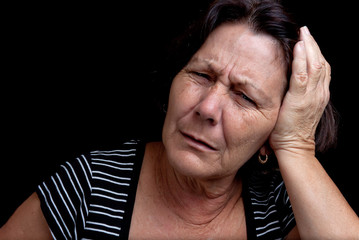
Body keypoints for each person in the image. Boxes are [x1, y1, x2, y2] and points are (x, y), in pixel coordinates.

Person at [1, 0, 358, 239]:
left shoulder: (284, 209)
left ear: (273, 132)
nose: (206, 108)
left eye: (244, 96)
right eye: (201, 75)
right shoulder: (91, 187)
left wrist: (296, 147)